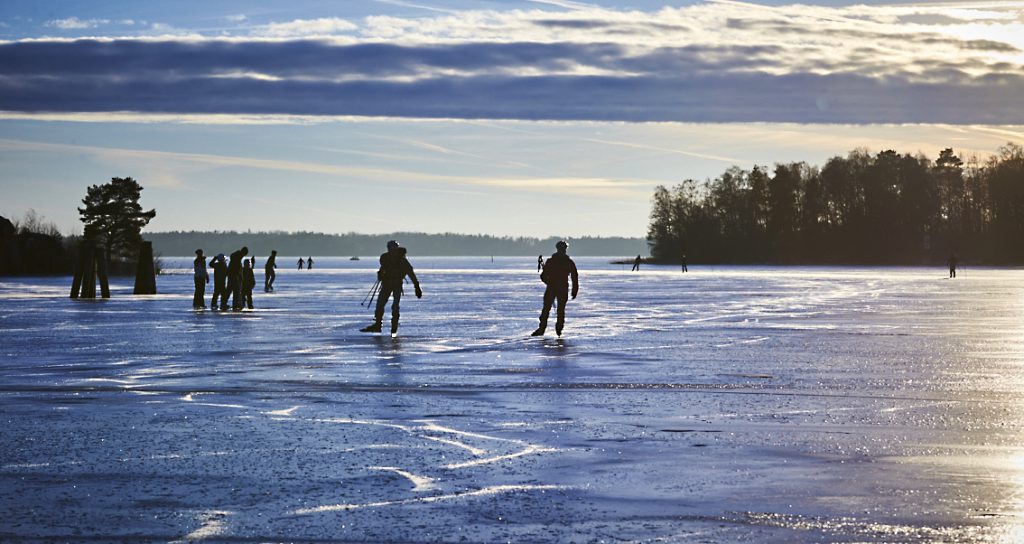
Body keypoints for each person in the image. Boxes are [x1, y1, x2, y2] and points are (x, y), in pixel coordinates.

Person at [360, 240, 422, 336]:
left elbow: (410, 273)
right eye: (390, 248)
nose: (392, 251)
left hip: (397, 284)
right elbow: (383, 268)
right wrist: (381, 274)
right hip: (386, 284)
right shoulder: (385, 258)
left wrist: (416, 286)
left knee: (395, 306)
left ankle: (393, 327)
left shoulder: (402, 260)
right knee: (380, 304)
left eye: (393, 249)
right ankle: (378, 325)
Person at [532, 240, 579, 337]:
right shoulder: (561, 262)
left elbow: (574, 277)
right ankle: (548, 329)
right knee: (550, 309)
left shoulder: (563, 262)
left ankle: (555, 328)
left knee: (555, 309)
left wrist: (575, 290)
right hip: (555, 288)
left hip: (558, 288)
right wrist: (548, 281)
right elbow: (544, 276)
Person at [225, 246, 249, 310]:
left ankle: (228, 304)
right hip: (234, 277)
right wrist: (239, 276)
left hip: (232, 276)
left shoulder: (236, 258)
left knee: (231, 291)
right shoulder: (237, 259)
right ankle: (233, 304)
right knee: (234, 291)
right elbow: (236, 269)